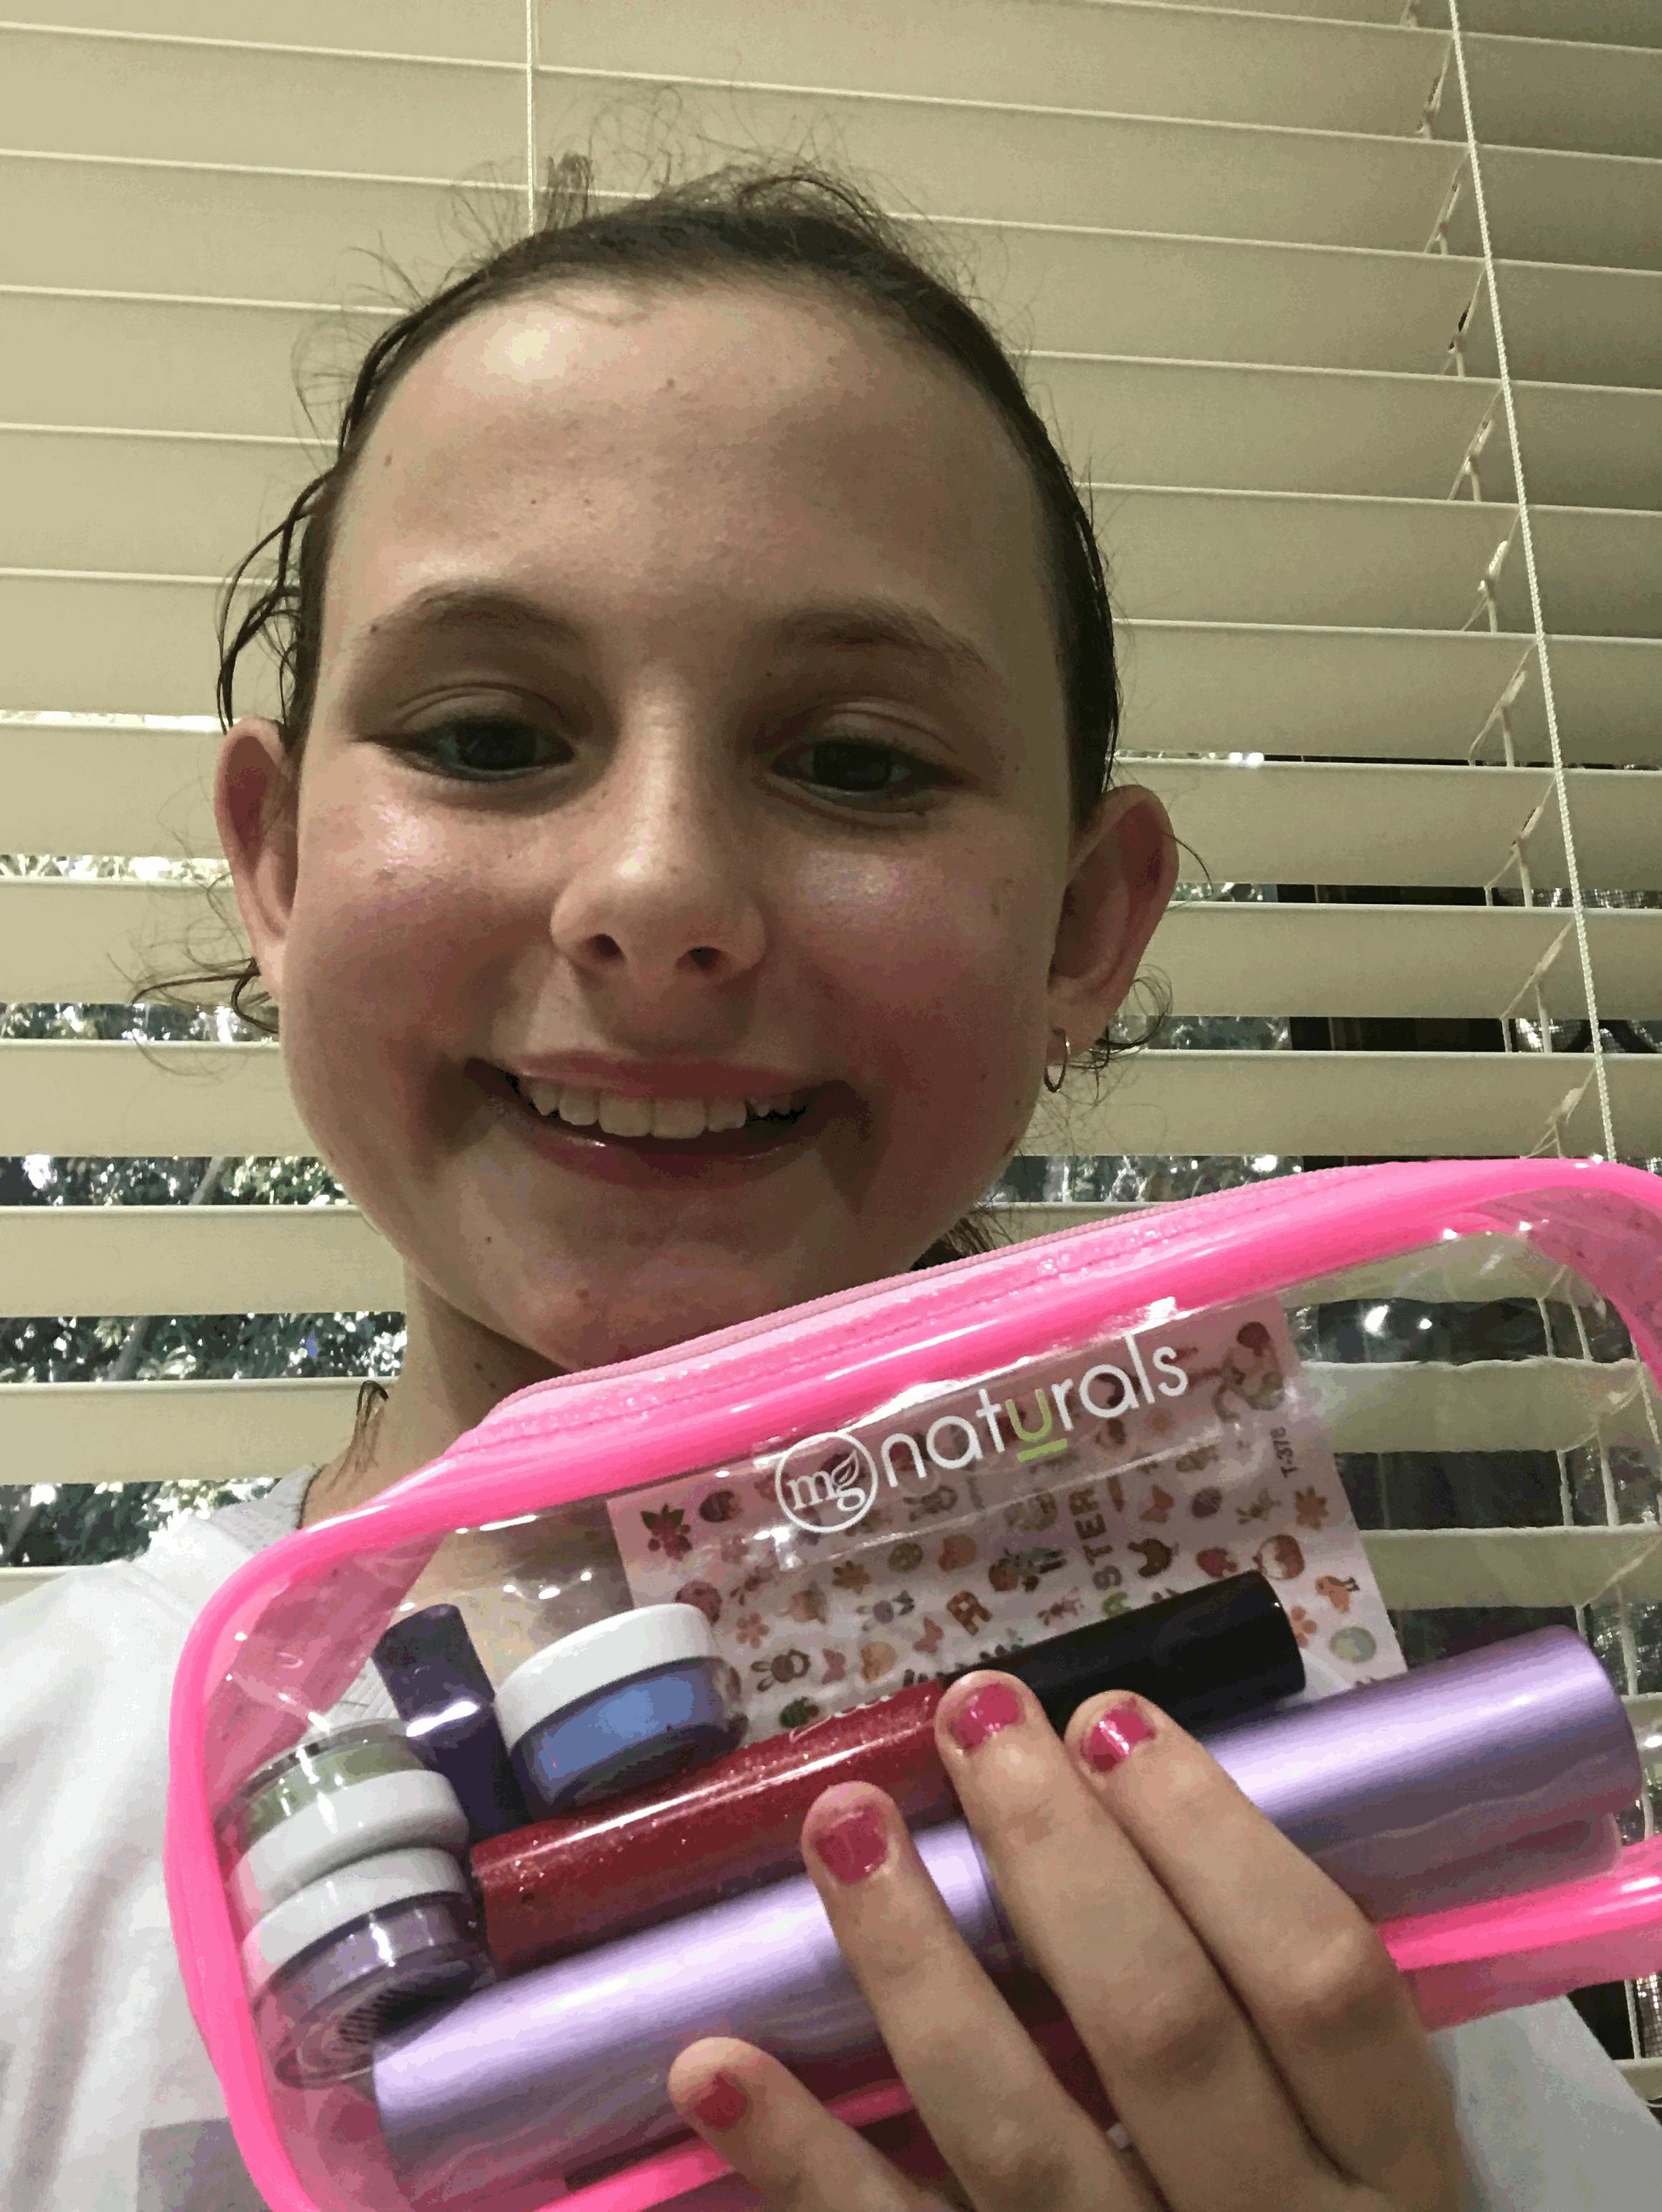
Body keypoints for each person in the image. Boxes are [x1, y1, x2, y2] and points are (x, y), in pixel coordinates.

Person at [3, 155, 1658, 2212]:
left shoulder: (1338, 1889)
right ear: (275, 862)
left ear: (1083, 925)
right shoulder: (37, 1803)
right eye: (491, 735)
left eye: (860, 762)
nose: (656, 893)